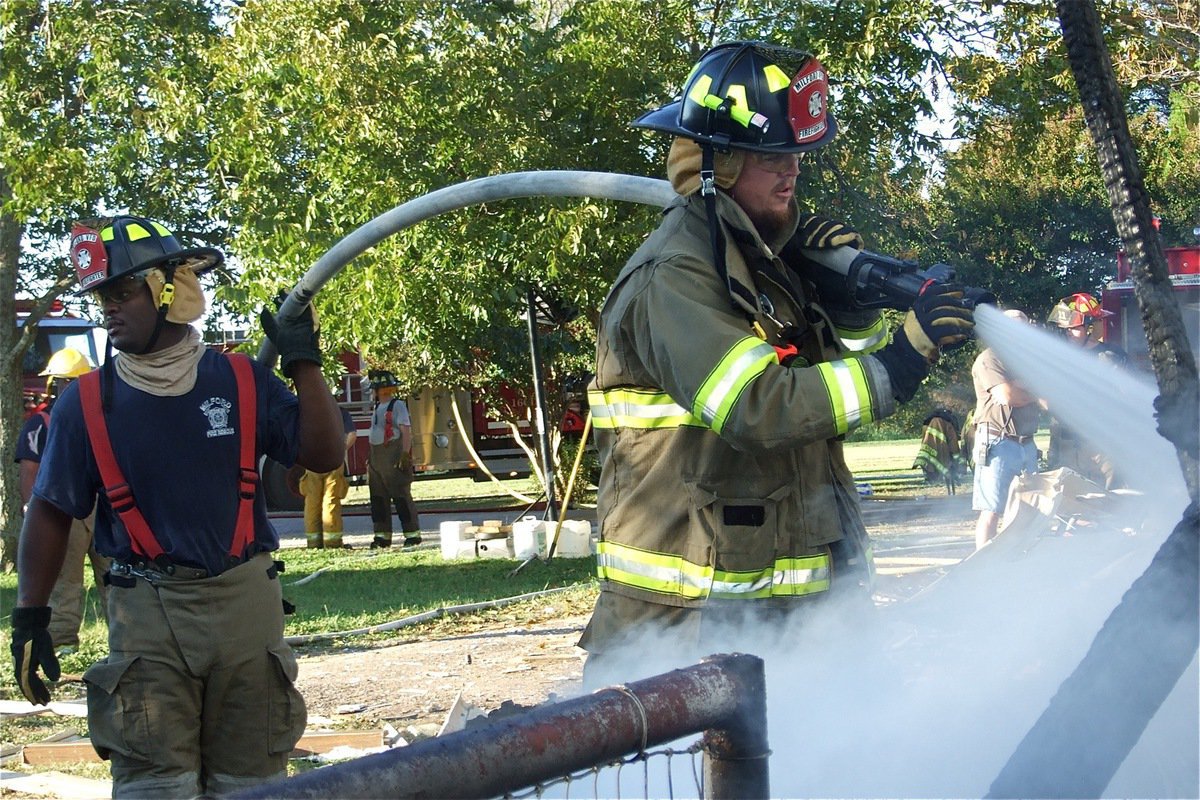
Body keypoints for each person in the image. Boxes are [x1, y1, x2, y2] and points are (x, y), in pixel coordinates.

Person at [580, 42, 975, 687]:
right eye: (771, 157)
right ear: (718, 162)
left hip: (793, 624)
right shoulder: (675, 276)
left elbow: (824, 389)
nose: (791, 172)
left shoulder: (764, 265)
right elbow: (761, 408)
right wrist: (904, 357)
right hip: (686, 632)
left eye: (796, 155)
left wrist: (848, 306)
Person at [10, 215, 344, 798]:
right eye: (102, 297)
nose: (109, 308)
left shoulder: (240, 380)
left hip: (245, 611)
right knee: (154, 787)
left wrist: (303, 362)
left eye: (122, 292)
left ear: (170, 290)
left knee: (252, 786)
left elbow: (323, 453)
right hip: (147, 619)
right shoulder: (85, 404)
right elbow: (50, 511)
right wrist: (30, 617)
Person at [15, 348, 110, 650]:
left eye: (72, 381)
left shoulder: (104, 417)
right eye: (64, 381)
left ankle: (124, 638)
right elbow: (30, 468)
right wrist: (32, 508)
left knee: (115, 575)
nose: (67, 387)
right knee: (65, 577)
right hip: (62, 506)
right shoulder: (41, 423)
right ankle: (61, 638)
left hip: (105, 506)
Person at [971, 309, 1042, 549]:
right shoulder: (989, 359)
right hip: (998, 442)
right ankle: (984, 562)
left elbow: (1049, 398)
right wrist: (1031, 390)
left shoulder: (1029, 361)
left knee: (1026, 507)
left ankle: (1013, 557)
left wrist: (1024, 388)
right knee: (991, 510)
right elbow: (1008, 396)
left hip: (1027, 443)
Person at [1045, 292, 1128, 489]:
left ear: (1090, 328)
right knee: (1066, 498)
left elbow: (1126, 395)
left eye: (1074, 328)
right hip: (1066, 443)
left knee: (1109, 497)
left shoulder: (1110, 357)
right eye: (1066, 328)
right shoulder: (1060, 358)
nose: (1068, 333)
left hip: (1103, 444)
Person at [367, 369, 421, 548]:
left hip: (393, 457)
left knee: (400, 496)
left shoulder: (397, 405)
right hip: (376, 459)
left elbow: (406, 430)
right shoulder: (377, 407)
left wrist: (405, 453)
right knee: (378, 498)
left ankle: (412, 535)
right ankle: (382, 537)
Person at [293, 402, 357, 548]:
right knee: (331, 500)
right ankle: (332, 542)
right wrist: (340, 450)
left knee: (312, 501)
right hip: (333, 460)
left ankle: (313, 542)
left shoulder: (308, 412)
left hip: (312, 460)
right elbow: (352, 435)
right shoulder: (340, 412)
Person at [912, 407, 966, 493]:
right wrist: (958, 464)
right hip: (942, 456)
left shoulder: (927, 423)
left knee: (932, 472)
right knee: (946, 468)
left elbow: (925, 441)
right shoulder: (948, 424)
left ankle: (930, 478)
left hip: (926, 459)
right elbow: (954, 447)